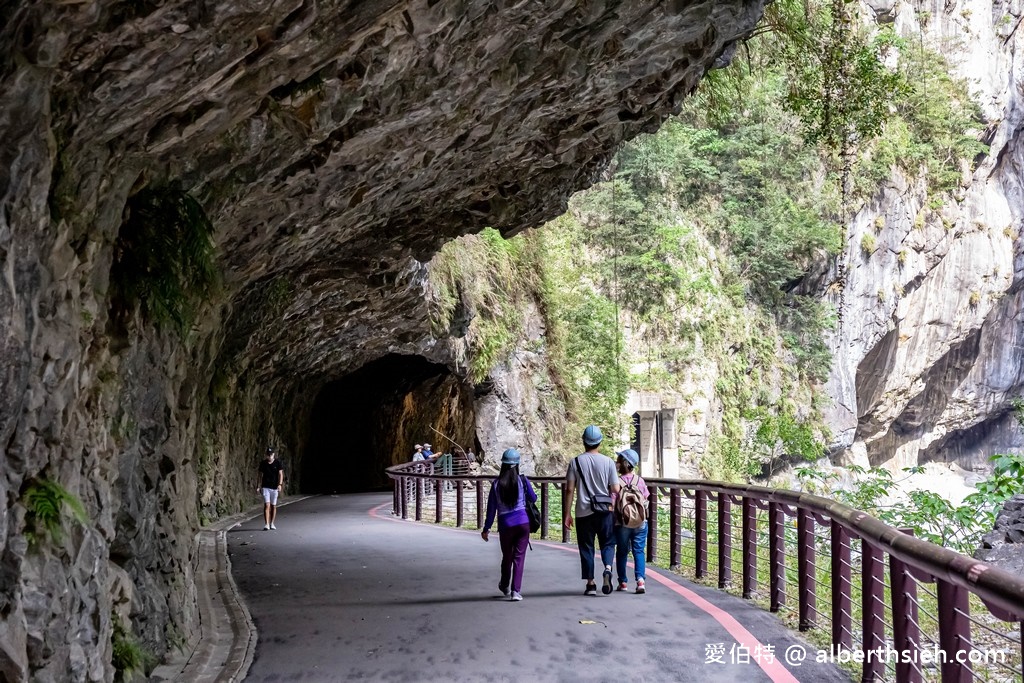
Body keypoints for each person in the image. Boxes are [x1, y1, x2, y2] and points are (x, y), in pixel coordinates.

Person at [563, 425, 620, 596]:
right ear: (600, 442)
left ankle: (590, 583)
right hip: (605, 511)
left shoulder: (575, 462)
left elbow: (569, 489)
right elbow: (615, 489)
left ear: (583, 442)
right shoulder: (609, 462)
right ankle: (608, 569)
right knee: (608, 543)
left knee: (586, 546)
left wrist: (567, 513)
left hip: (583, 512)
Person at [481, 448, 537, 602]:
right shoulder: (523, 481)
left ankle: (504, 584)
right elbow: (534, 498)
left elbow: (492, 509)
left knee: (507, 557)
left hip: (506, 525)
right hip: (523, 523)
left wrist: (486, 529)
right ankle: (515, 592)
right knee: (519, 557)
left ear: (503, 465)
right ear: (517, 464)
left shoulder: (496, 484)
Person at [613, 448, 650, 594]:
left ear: (624, 463)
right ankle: (640, 581)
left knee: (622, 551)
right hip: (640, 521)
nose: (617, 463)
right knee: (639, 551)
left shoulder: (617, 482)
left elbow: (613, 502)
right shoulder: (640, 481)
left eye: (619, 460)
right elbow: (646, 498)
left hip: (623, 522)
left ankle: (622, 582)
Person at [257, 447, 284, 530]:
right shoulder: (263, 463)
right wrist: (258, 486)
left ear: (273, 455)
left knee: (273, 506)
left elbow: (280, 474)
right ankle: (266, 524)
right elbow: (260, 475)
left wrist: (280, 484)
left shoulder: (277, 463)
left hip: (274, 487)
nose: (269, 456)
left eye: (271, 455)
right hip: (265, 487)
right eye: (268, 455)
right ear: (266, 455)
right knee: (267, 505)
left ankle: (272, 523)